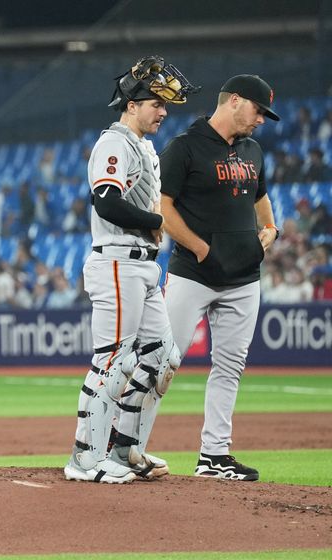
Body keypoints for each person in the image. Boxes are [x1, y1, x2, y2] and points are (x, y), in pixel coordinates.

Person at [118, 74, 281, 482]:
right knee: (162, 360)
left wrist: (271, 231)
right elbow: (163, 206)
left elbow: (260, 196)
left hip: (244, 277)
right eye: (258, 110)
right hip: (193, 274)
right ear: (235, 102)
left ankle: (214, 455)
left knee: (230, 366)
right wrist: (201, 248)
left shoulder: (253, 150)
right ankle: (127, 448)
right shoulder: (186, 147)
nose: (261, 120)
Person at [64, 55, 198, 484]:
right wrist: (160, 222)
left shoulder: (143, 146)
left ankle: (124, 448)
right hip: (118, 261)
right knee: (113, 361)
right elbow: (105, 200)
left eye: (165, 105)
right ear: (132, 103)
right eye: (156, 103)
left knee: (163, 356)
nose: (163, 111)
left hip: (142, 265)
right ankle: (85, 459)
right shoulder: (114, 143)